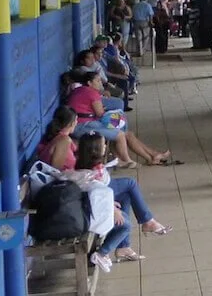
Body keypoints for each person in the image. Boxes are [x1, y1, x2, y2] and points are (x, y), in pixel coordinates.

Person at [38, 109, 171, 246]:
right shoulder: (64, 140)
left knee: (125, 195)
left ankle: (124, 245)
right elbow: (58, 171)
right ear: (71, 123)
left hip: (81, 183)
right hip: (77, 189)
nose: (77, 122)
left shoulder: (64, 139)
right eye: (76, 120)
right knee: (130, 184)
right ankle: (147, 221)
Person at [65, 69, 171, 166]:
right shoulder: (91, 93)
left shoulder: (80, 90)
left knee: (128, 133)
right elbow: (100, 113)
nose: (100, 83)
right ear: (89, 83)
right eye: (97, 81)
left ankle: (152, 156)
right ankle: (127, 162)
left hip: (85, 123)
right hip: (81, 126)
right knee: (120, 134)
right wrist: (114, 116)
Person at [64, 135, 133, 271]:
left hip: (86, 210)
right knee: (126, 225)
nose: (106, 147)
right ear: (95, 150)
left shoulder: (79, 166)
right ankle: (101, 253)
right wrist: (113, 209)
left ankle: (121, 246)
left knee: (125, 212)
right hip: (88, 215)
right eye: (103, 145)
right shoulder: (94, 172)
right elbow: (97, 195)